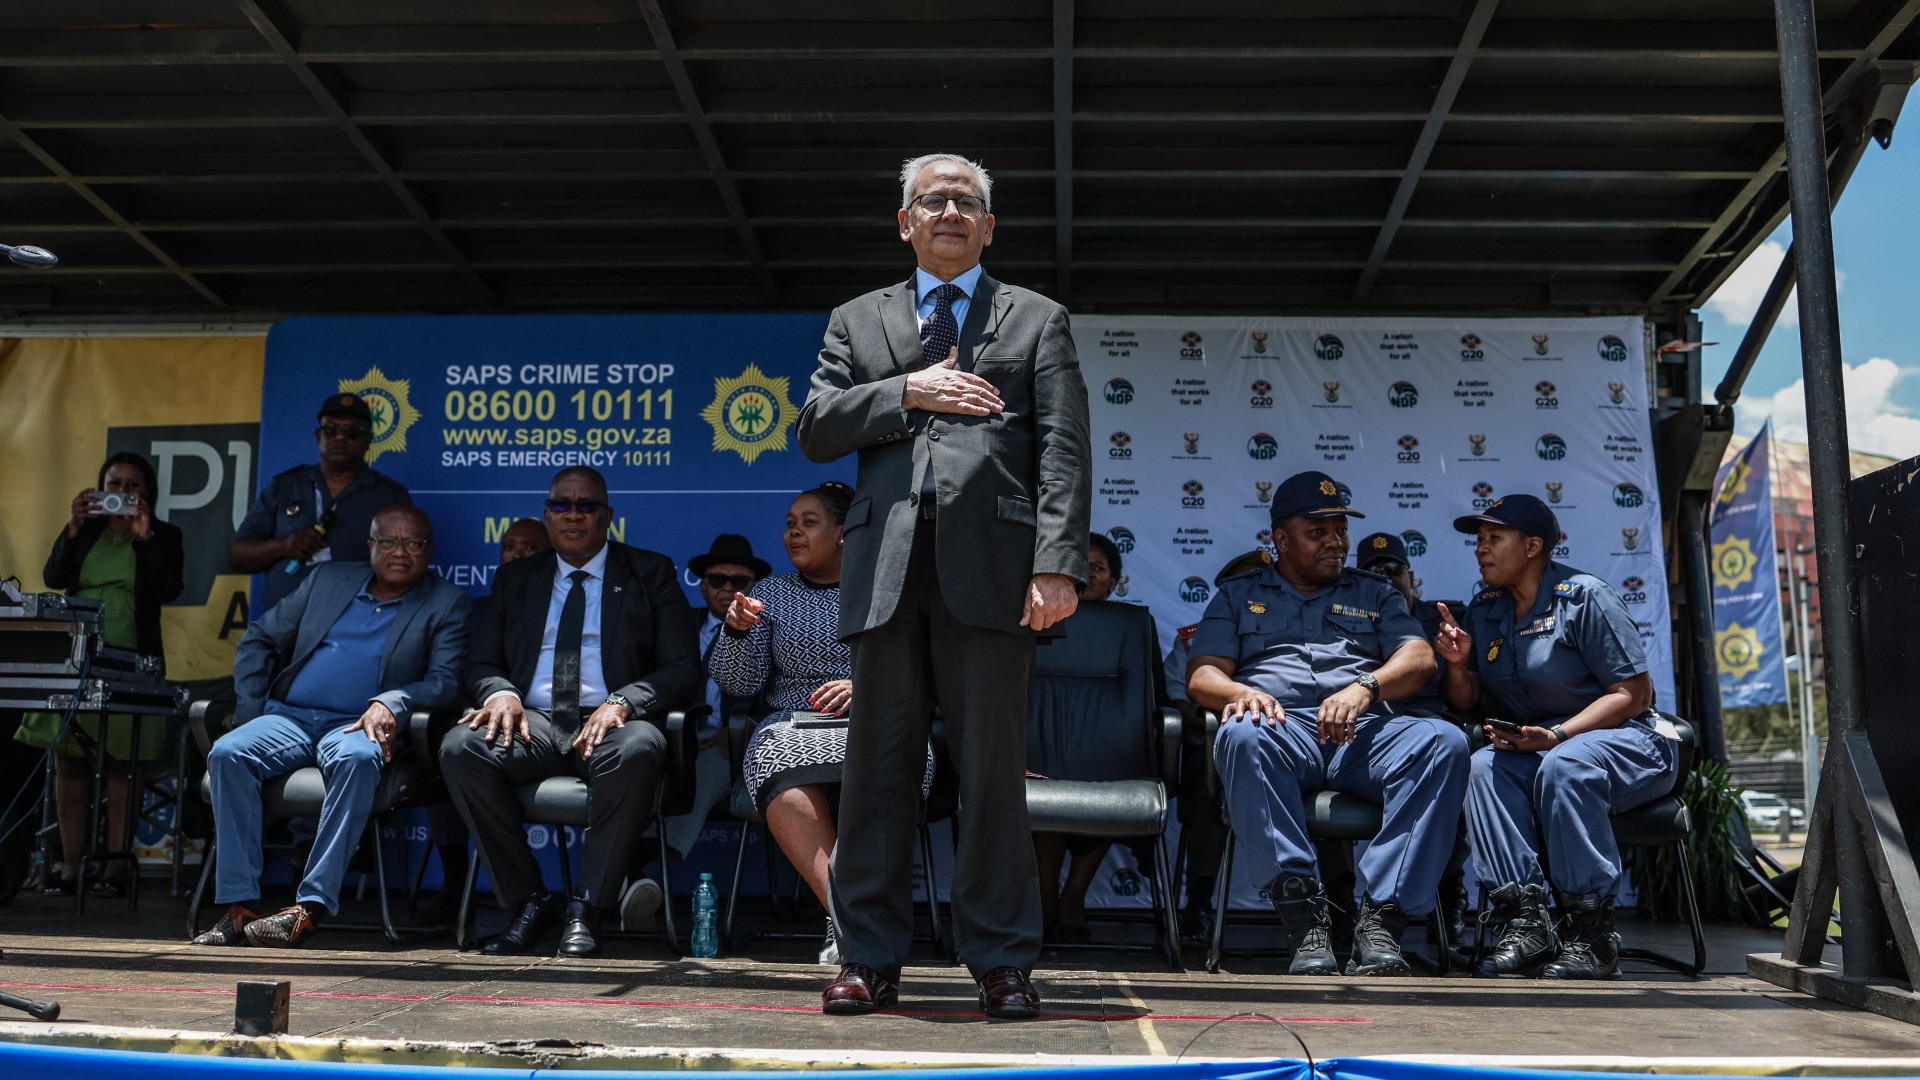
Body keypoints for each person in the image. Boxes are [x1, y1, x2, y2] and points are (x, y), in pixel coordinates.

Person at [797, 152, 1090, 1018]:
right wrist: (908, 391)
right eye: (935, 200)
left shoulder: (1037, 318)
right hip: (884, 573)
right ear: (905, 222)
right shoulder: (858, 320)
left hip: (995, 576)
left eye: (968, 202)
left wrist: (1055, 563)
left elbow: (1064, 451)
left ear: (990, 227)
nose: (951, 212)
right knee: (878, 772)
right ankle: (867, 960)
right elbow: (814, 428)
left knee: (992, 776)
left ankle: (1001, 962)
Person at [1187, 470, 1466, 977]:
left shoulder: (1376, 592)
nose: (1335, 543)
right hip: (1282, 730)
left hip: (1364, 733)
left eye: (1340, 530)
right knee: (1242, 730)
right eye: (1318, 532)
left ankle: (1384, 920)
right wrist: (1242, 692)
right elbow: (1203, 675)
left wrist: (1366, 688)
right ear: (1280, 539)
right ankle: (1303, 917)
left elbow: (1420, 657)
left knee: (1443, 741)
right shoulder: (1236, 594)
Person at [440, 466, 700, 958]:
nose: (574, 514)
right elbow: (480, 662)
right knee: (462, 747)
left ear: (608, 516)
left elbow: (683, 668)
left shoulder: (650, 571)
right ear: (547, 515)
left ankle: (588, 908)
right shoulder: (516, 578)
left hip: (610, 720)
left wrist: (623, 701)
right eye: (563, 505)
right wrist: (498, 692)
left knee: (640, 746)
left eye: (587, 505)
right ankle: (527, 903)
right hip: (532, 720)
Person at [191, 506, 469, 948]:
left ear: (429, 551)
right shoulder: (327, 580)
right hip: (291, 716)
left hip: (358, 725)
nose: (400, 552)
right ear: (370, 546)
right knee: (228, 751)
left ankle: (309, 907)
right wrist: (251, 713)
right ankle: (240, 906)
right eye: (388, 542)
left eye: (412, 543)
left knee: (358, 758)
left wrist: (391, 702)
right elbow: (260, 638)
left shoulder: (445, 601)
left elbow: (446, 680)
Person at [1435, 494, 1680, 979]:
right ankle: (1526, 922)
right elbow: (1467, 703)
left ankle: (1592, 934)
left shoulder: (1584, 596)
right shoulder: (1484, 609)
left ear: (1532, 546)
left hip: (1627, 740)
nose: (1481, 549)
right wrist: (1459, 665)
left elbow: (1632, 693)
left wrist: (1557, 735)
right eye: (1479, 540)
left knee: (1565, 764)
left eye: (1494, 538)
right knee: (1483, 767)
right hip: (1540, 747)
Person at [714, 483, 935, 966]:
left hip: (883, 720)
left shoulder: (889, 587)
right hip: (791, 725)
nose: (794, 531)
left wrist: (867, 688)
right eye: (791, 523)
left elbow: (930, 668)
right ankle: (850, 921)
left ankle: (854, 930)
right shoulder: (769, 594)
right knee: (784, 778)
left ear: (844, 532)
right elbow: (740, 682)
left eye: (809, 522)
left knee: (887, 767)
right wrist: (736, 630)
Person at [16, 452, 184, 898]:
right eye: (114, 483)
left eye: (133, 485)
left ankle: (114, 868)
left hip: (134, 658)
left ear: (147, 493)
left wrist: (143, 538)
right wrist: (72, 527)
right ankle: (70, 867)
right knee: (70, 760)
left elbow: (168, 588)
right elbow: (55, 577)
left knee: (123, 765)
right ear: (100, 488)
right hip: (78, 656)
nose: (123, 492)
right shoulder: (85, 531)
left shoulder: (164, 535)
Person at [417, 516, 551, 923]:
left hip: (542, 732)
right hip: (482, 724)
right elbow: (457, 675)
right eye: (510, 547)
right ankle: (456, 887)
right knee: (449, 747)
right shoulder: (474, 609)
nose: (517, 554)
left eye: (529, 548)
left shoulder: (562, 607)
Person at [1162, 547, 1269, 940]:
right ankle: (1199, 904)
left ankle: (1339, 905)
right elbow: (1178, 701)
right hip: (1216, 753)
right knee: (1209, 778)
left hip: (1293, 750)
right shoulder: (1195, 642)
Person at [229, 393, 412, 614]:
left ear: (368, 440)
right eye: (330, 430)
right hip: (285, 628)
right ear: (319, 436)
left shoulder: (390, 496)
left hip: (357, 627)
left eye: (352, 432)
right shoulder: (284, 486)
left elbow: (406, 568)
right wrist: (285, 545)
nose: (340, 439)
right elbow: (237, 556)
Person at [656, 534, 770, 889]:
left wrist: (748, 725)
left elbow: (781, 694)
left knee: (705, 768)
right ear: (703, 587)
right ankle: (629, 862)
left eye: (739, 582)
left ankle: (659, 863)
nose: (728, 589)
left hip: (733, 745)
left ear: (753, 589)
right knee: (643, 764)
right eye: (718, 580)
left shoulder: (769, 630)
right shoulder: (678, 627)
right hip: (679, 737)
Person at [1030, 533, 1124, 944]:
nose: (1086, 574)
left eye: (1098, 567)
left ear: (1116, 582)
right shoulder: (1029, 621)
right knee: (1050, 781)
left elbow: (1149, 700)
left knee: (1109, 779)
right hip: (1039, 752)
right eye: (1078, 565)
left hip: (1108, 753)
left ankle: (1073, 898)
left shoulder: (1132, 627)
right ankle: (1047, 897)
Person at [1353, 532, 1451, 717]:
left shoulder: (1442, 620)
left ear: (1411, 577)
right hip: (1372, 716)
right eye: (1374, 572)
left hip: (1428, 715)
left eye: (1393, 569)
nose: (1385, 579)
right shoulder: (1346, 621)